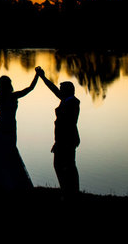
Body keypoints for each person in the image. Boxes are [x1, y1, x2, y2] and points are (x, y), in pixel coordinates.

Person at [36, 66, 80, 196]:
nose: (59, 91)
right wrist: (43, 77)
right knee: (61, 165)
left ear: (67, 91)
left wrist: (61, 142)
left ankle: (71, 192)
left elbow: (69, 124)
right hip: (62, 139)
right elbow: (54, 89)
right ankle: (68, 191)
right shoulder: (66, 100)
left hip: (67, 139)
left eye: (62, 89)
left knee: (67, 166)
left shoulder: (72, 103)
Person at [0, 70, 41, 147]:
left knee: (1, 149)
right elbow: (30, 88)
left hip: (2, 125)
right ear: (9, 84)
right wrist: (37, 75)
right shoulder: (13, 96)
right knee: (9, 149)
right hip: (9, 125)